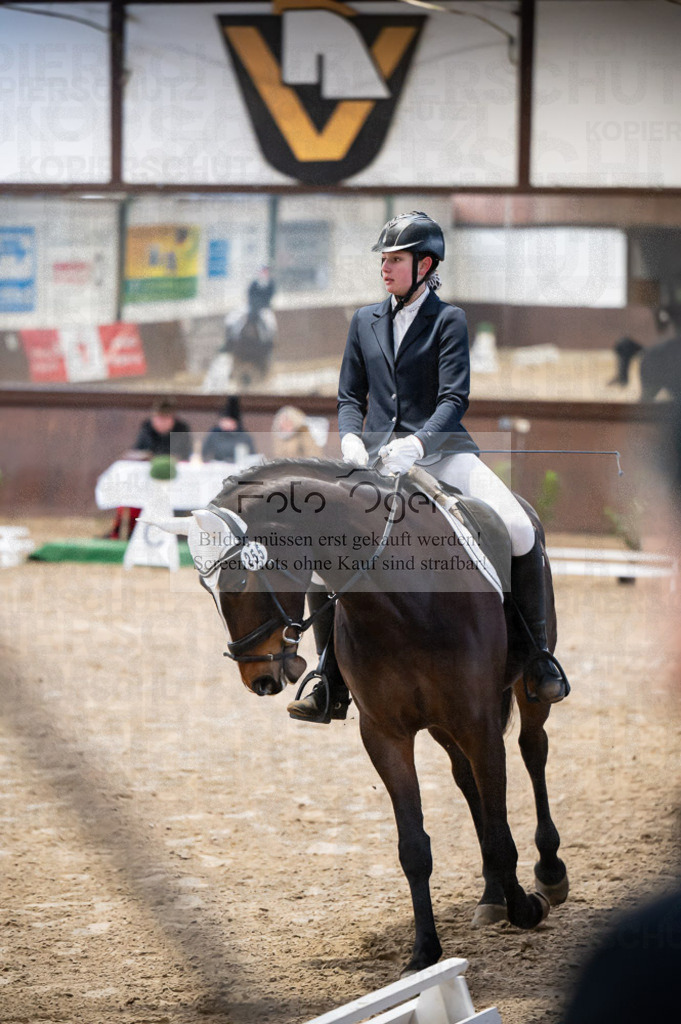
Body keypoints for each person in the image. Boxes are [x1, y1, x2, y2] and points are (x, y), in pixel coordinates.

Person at [287, 210, 569, 723]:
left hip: (443, 454)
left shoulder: (449, 320)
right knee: (328, 544)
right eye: (384, 260)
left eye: (395, 260)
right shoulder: (363, 320)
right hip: (372, 458)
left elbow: (453, 397)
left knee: (518, 527)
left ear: (426, 264)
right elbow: (350, 393)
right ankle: (329, 678)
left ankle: (537, 657)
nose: (385, 268)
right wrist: (351, 437)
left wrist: (417, 445)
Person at [105, 398, 192, 539]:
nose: (161, 422)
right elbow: (138, 450)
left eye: (165, 419)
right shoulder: (147, 427)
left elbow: (184, 455)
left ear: (172, 419)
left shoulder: (181, 429)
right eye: (158, 418)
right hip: (145, 480)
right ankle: (130, 532)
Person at [201, 396, 256, 463]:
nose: (225, 423)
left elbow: (252, 456)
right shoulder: (214, 435)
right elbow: (204, 454)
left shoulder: (244, 437)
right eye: (223, 420)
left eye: (228, 420)